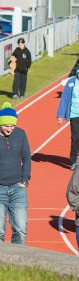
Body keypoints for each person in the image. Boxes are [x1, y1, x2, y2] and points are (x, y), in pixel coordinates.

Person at [0, 102, 30, 244]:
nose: (9, 129)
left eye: (12, 126)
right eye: (6, 126)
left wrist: (25, 179)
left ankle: (18, 256)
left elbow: (26, 157)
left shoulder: (21, 134)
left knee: (21, 230)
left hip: (18, 188)